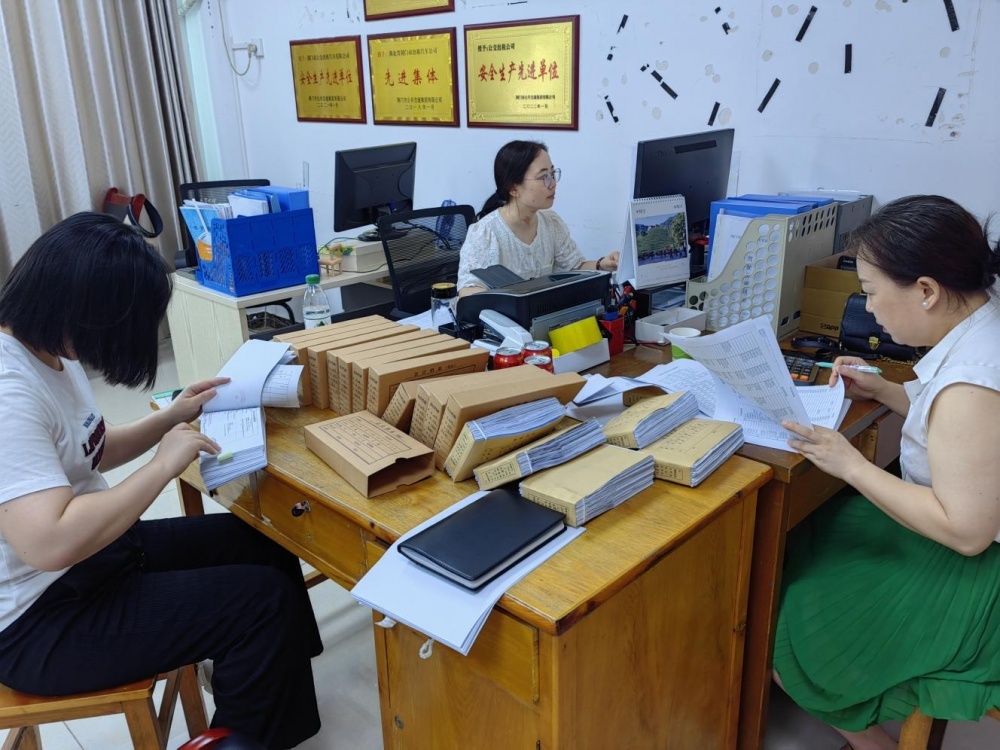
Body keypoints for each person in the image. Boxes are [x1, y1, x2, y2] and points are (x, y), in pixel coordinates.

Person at [0, 213, 322, 749]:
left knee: (268, 541)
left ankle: (269, 695)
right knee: (260, 602)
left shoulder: (48, 350)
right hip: (44, 622)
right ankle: (243, 732)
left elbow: (90, 451)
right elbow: (48, 543)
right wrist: (160, 467)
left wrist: (172, 416)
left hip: (97, 563)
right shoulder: (9, 391)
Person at [775, 195, 1000, 750]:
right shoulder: (982, 324)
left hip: (974, 572)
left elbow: (966, 532)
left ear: (926, 290)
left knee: (783, 608)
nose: (868, 308)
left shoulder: (971, 384)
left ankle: (870, 740)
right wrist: (883, 390)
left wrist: (849, 464)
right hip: (964, 537)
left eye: (871, 291)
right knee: (811, 536)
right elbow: (951, 431)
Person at [457, 139, 620, 296]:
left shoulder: (551, 223)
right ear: (513, 188)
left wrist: (601, 264)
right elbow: (467, 289)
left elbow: (573, 267)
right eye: (543, 177)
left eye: (552, 174)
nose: (553, 183)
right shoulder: (486, 233)